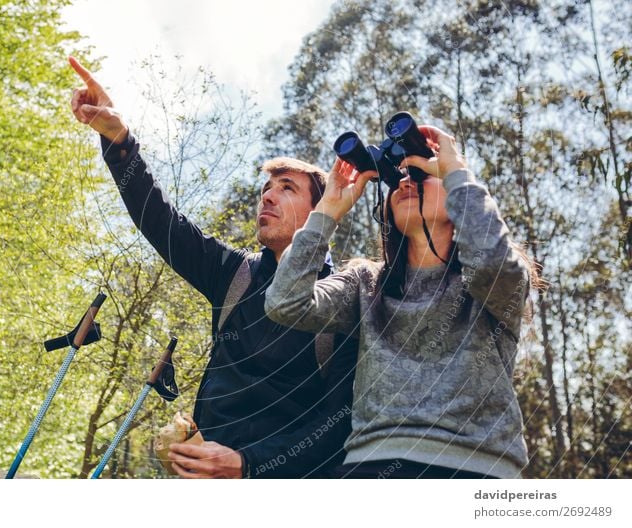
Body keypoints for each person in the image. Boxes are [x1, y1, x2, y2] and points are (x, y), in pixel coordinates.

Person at [68, 56, 357, 478]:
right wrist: (118, 140)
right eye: (266, 188)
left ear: (321, 210)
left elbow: (338, 426)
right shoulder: (234, 274)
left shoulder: (346, 296)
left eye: (287, 188)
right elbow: (162, 223)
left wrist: (247, 466)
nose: (268, 197)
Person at [264, 124, 540, 478]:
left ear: (457, 198)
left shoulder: (490, 285)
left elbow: (490, 259)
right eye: (398, 181)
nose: (406, 183)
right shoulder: (367, 284)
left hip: (473, 467)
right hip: (372, 468)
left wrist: (457, 171)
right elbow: (284, 303)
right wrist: (328, 211)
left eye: (422, 176)